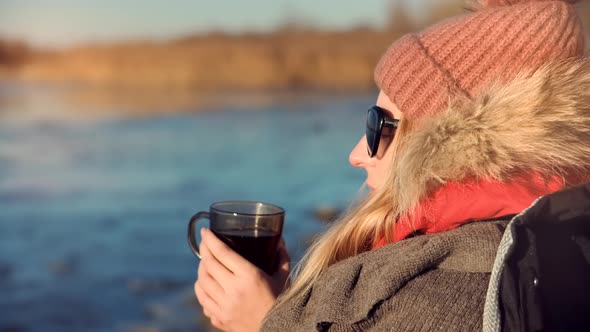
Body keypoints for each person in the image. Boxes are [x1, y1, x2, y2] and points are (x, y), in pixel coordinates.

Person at [194, 0, 590, 330]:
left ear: (450, 139)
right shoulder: (532, 238)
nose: (357, 153)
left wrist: (261, 323)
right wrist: (287, 308)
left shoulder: (442, 291)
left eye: (378, 125)